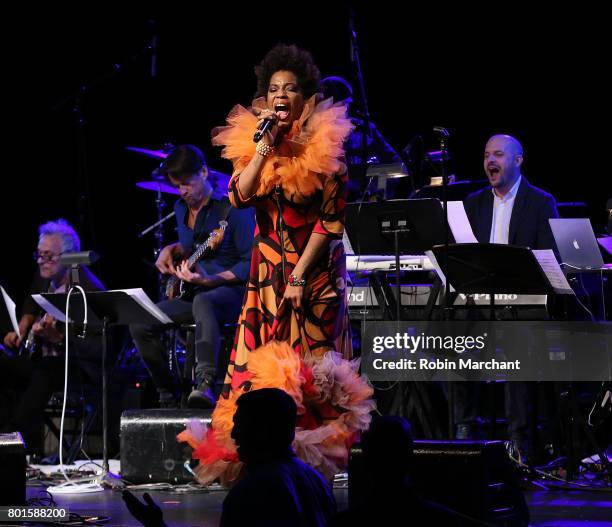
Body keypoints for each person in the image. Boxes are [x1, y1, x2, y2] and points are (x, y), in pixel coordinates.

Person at [178, 44, 374, 485]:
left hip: (316, 271)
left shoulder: (327, 146)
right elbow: (240, 195)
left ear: (304, 98)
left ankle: (316, 465)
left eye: (289, 88)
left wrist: (302, 275)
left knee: (314, 368)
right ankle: (265, 455)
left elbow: (330, 222)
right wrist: (264, 148)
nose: (280, 94)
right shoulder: (256, 141)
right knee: (261, 366)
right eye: (273, 88)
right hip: (266, 277)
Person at [458, 135, 559, 460]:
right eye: (487, 155)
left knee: (517, 346)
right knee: (449, 338)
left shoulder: (541, 202)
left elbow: (549, 260)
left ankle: (519, 443)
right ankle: (463, 430)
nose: (491, 161)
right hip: (480, 304)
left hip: (522, 305)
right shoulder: (473, 204)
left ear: (518, 160)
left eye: (498, 155)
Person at [130, 145, 255, 408]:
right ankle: (168, 392)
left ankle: (206, 383)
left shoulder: (233, 209)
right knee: (140, 321)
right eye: (178, 186)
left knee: (205, 301)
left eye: (187, 183)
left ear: (204, 172)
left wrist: (211, 280)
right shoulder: (180, 208)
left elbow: (250, 263)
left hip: (233, 292)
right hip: (196, 291)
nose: (183, 191)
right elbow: (190, 244)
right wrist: (172, 249)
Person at [124, 389, 336, 527]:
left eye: (242, 425)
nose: (234, 435)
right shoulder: (316, 481)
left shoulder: (252, 490)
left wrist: (156, 526)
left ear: (263, 431)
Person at [0, 219, 105, 455]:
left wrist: (58, 338)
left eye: (48, 256)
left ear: (69, 257)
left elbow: (95, 348)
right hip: (43, 360)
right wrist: (24, 323)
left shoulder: (88, 289)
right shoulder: (46, 276)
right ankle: (16, 441)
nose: (40, 262)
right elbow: (30, 297)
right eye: (38, 255)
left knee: (48, 369)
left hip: (78, 368)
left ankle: (12, 441)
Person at [321, 75, 401, 200]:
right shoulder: (312, 134)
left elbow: (396, 166)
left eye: (345, 105)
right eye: (339, 105)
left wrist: (376, 191)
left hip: (364, 206)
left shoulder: (364, 128)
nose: (345, 109)